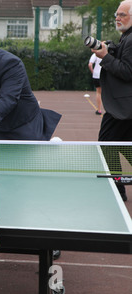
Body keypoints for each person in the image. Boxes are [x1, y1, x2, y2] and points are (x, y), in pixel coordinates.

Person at [92, 0, 132, 201]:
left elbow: (128, 71)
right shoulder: (127, 36)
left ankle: (118, 187)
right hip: (123, 106)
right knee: (120, 145)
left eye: (122, 14)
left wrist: (105, 56)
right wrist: (111, 49)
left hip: (124, 108)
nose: (117, 17)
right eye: (116, 14)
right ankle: (119, 186)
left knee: (107, 144)